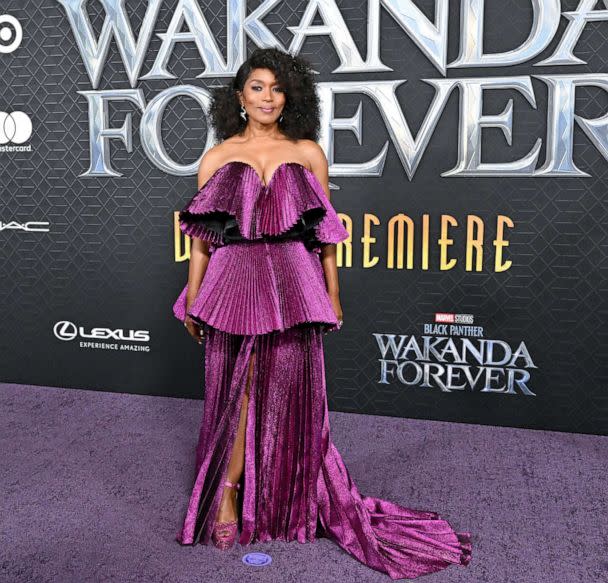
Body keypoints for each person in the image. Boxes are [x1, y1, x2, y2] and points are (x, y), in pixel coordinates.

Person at [173, 47, 472, 580]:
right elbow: (201, 240)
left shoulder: (308, 152)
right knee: (235, 391)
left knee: (288, 390)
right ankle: (227, 496)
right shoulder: (216, 159)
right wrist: (192, 295)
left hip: (292, 281)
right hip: (232, 280)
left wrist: (333, 294)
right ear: (238, 97)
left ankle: (280, 497)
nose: (268, 97)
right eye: (257, 87)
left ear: (290, 97)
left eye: (277, 88)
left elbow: (325, 234)